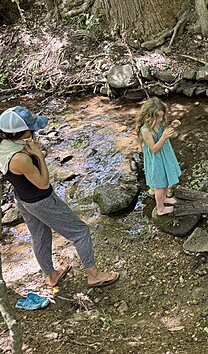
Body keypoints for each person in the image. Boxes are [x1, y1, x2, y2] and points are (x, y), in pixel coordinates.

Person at [0, 106, 119, 288]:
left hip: (22, 198)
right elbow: (43, 184)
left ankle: (51, 275)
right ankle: (93, 275)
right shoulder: (19, 158)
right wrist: (39, 156)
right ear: (18, 132)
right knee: (80, 232)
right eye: (30, 129)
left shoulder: (4, 145)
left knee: (39, 237)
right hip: (41, 200)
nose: (33, 131)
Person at [135, 98, 182, 216]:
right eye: (158, 117)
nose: (161, 119)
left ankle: (164, 198)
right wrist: (164, 137)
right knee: (159, 186)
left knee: (165, 180)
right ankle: (160, 209)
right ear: (148, 116)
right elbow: (154, 149)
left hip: (164, 156)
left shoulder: (157, 123)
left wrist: (172, 126)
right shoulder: (145, 130)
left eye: (162, 116)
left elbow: (163, 133)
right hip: (155, 160)